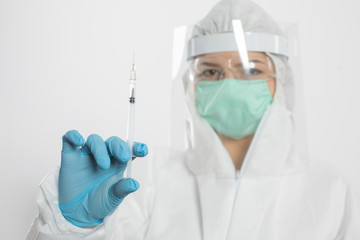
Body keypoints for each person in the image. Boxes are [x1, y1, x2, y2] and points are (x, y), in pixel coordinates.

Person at [27, 0, 360, 239]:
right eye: (211, 71)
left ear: (282, 80)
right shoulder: (143, 177)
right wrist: (72, 227)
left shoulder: (330, 191)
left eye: (251, 70)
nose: (229, 83)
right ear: (191, 85)